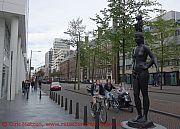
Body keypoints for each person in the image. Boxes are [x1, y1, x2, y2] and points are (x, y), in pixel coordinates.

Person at [132, 15, 159, 123]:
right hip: (135, 73)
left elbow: (154, 57)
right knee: (135, 94)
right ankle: (139, 114)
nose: (135, 39)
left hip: (143, 73)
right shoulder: (134, 49)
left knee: (144, 94)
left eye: (137, 37)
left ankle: (145, 116)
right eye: (135, 37)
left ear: (141, 38)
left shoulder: (145, 47)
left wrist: (150, 66)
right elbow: (134, 61)